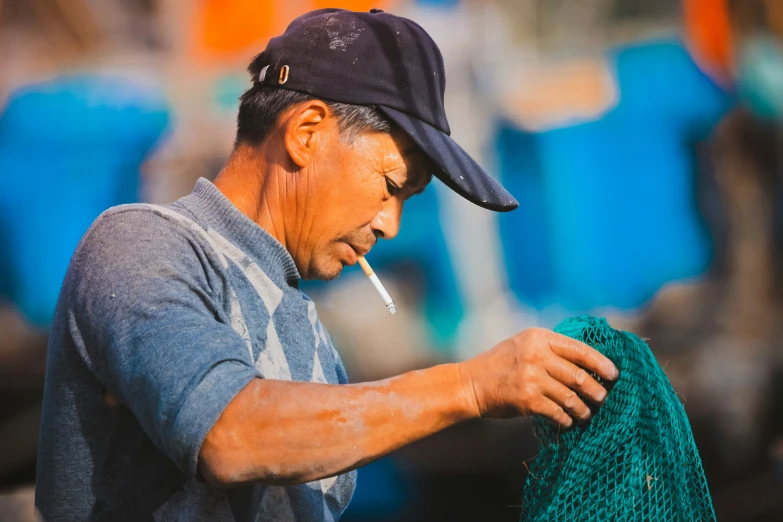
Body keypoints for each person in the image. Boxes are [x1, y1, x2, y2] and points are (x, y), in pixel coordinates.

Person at [35, 8, 618, 521]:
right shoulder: (138, 245)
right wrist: (468, 386)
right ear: (307, 133)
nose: (391, 225)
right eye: (391, 184)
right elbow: (229, 435)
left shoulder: (307, 330)